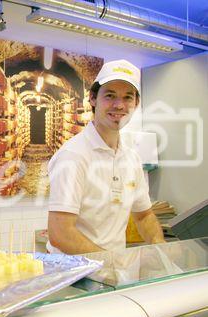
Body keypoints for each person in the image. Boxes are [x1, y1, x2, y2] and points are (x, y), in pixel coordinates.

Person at [47, 59, 165, 254]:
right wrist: (110, 264)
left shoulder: (132, 159)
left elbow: (144, 216)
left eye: (128, 97)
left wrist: (160, 248)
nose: (119, 105)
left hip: (113, 275)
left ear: (136, 104)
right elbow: (61, 234)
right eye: (110, 95)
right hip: (78, 276)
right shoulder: (73, 156)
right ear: (93, 98)